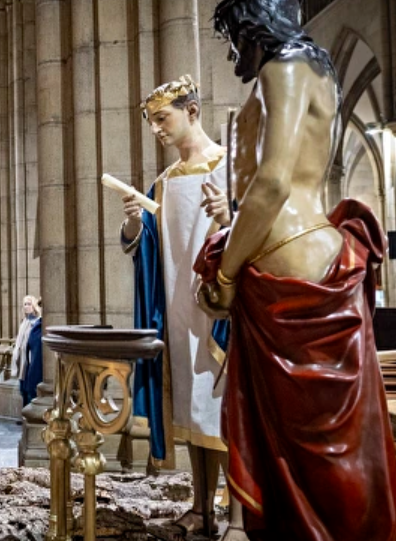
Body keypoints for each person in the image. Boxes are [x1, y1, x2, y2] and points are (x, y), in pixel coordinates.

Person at [194, 1, 396, 539]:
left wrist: (226, 273)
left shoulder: (279, 71)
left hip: (284, 260)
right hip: (322, 253)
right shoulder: (320, 74)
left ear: (249, 25)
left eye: (232, 36)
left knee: (294, 447)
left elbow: (272, 183)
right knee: (334, 446)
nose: (233, 50)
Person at [120, 73, 236, 538]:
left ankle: (240, 515)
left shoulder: (230, 167)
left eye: (161, 118)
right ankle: (201, 508)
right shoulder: (163, 184)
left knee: (222, 413)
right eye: (149, 122)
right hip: (177, 312)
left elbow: (259, 233)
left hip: (222, 312)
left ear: (192, 111)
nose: (155, 129)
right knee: (190, 413)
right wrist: (133, 225)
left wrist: (231, 217)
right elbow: (146, 247)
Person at [11, 295, 42, 407]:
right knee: (22, 388)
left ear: (34, 306)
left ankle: (29, 412)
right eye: (24, 304)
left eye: (29, 304)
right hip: (22, 360)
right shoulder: (24, 321)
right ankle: (24, 413)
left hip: (30, 360)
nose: (26, 306)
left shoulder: (38, 322)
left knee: (30, 389)